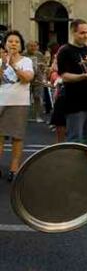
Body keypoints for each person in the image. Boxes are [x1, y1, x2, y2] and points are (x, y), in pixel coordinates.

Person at [57, 19, 87, 145]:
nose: (86, 36)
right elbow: (64, 76)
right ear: (73, 32)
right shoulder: (65, 51)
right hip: (75, 103)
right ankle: (73, 165)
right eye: (82, 33)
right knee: (75, 140)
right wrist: (84, 76)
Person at [0, 30, 34, 181]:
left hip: (19, 103)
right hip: (1, 102)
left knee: (17, 137)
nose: (13, 44)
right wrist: (3, 64)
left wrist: (13, 65)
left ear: (20, 46)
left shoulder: (26, 61)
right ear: (5, 44)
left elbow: (27, 78)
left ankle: (14, 168)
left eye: (16, 42)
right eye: (10, 41)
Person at [22, 41, 46, 123]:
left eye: (34, 46)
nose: (33, 48)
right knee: (25, 98)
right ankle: (26, 116)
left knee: (37, 97)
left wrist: (42, 66)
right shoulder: (23, 55)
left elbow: (45, 66)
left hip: (38, 78)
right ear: (26, 47)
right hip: (26, 79)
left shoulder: (39, 54)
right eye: (31, 46)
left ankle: (38, 116)